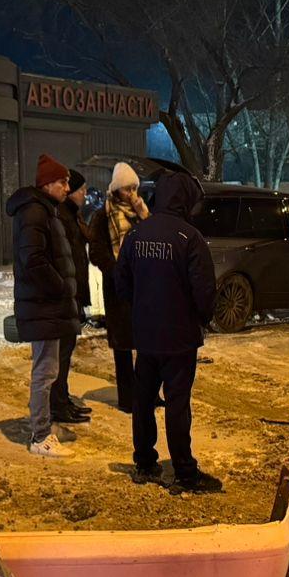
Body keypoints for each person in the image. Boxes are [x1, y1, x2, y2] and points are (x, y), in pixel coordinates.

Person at [116, 170, 218, 491]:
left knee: (144, 400)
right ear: (185, 199)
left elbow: (122, 285)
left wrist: (142, 308)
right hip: (179, 338)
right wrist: (203, 318)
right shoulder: (190, 238)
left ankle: (145, 462)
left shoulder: (135, 236)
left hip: (145, 336)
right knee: (177, 402)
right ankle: (184, 471)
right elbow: (204, 292)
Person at [5, 154, 83, 458]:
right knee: (45, 371)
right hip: (44, 305)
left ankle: (44, 425)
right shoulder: (35, 212)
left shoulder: (44, 210)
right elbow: (34, 259)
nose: (67, 187)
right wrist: (60, 288)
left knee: (48, 369)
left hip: (47, 305)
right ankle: (40, 436)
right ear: (48, 184)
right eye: (63, 182)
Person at [86, 162, 150, 413]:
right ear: (116, 190)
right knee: (124, 346)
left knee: (147, 344)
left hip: (144, 287)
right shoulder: (104, 215)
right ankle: (127, 398)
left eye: (134, 188)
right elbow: (97, 252)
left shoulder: (142, 213)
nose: (132, 193)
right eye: (127, 189)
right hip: (119, 290)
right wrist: (116, 271)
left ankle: (147, 392)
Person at [49, 169, 94, 425]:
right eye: (82, 190)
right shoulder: (62, 218)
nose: (84, 195)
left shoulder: (72, 216)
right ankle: (57, 405)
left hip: (74, 294)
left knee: (66, 352)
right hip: (68, 295)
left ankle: (62, 399)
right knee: (61, 354)